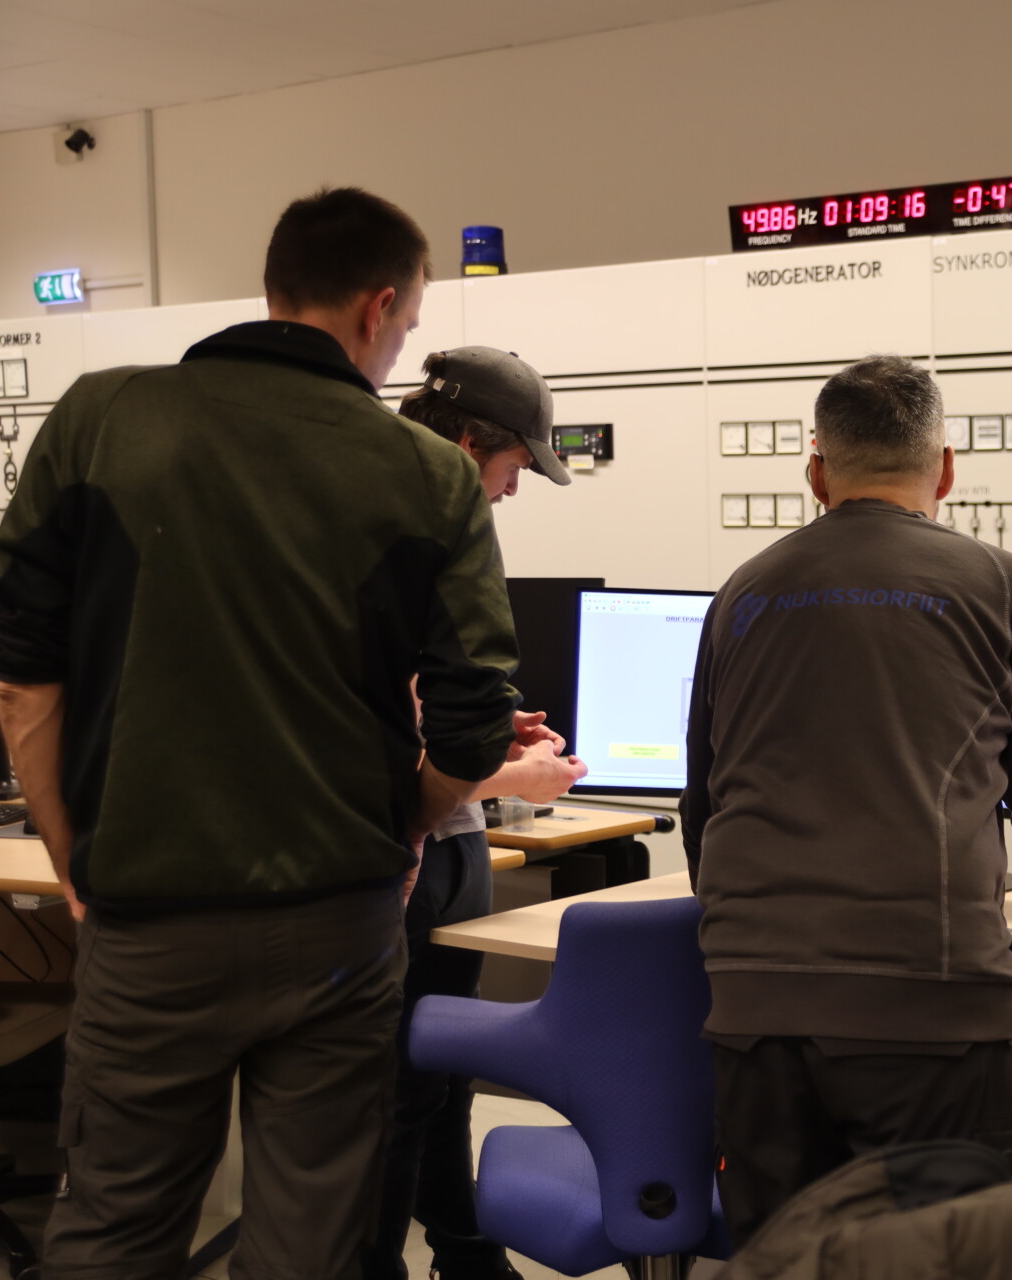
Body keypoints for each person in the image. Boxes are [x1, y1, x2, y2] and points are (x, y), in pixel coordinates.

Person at [0, 187, 529, 1279]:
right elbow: (474, 725)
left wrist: (72, 851)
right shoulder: (427, 472)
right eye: (409, 324)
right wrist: (410, 825)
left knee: (113, 1227)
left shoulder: (99, 417)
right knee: (311, 1242)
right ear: (379, 307)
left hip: (149, 918)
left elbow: (20, 677)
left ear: (277, 284)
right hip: (340, 925)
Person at [681, 354, 1012, 1245]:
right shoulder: (1004, 586)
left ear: (816, 474)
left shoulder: (741, 594)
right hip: (926, 1013)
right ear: (946, 471)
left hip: (755, 1016)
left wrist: (756, 951)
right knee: (956, 1259)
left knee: (784, 1263)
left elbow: (705, 806)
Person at [362, 347, 590, 1280]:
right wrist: (510, 778)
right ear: (466, 444)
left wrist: (492, 733)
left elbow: (418, 702)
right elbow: (374, 749)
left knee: (442, 1078)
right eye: (514, 466)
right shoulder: (395, 535)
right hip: (406, 856)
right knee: (401, 1091)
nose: (513, 489)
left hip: (446, 848)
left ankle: (464, 1254)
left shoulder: (415, 529)